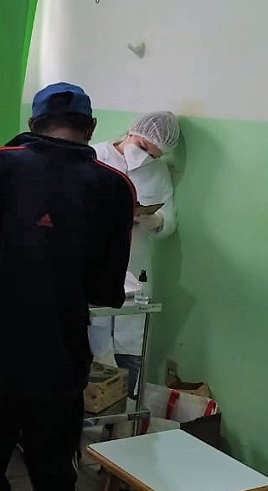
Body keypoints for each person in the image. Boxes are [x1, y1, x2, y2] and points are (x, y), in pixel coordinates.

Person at [0, 82, 136, 491]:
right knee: (54, 473)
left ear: (32, 124)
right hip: (61, 358)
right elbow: (107, 290)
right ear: (90, 128)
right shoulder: (115, 186)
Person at [88, 111, 180, 397]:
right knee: (92, 350)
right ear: (130, 132)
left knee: (130, 349)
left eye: (153, 155)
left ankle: (122, 428)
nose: (143, 159)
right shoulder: (94, 157)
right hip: (94, 265)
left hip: (136, 267)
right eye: (141, 148)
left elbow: (169, 219)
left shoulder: (158, 172)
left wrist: (155, 220)